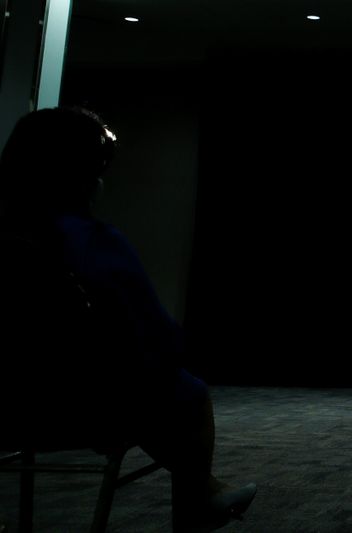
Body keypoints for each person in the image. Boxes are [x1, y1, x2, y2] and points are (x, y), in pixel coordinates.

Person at [0, 106, 255, 531]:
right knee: (184, 390)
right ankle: (199, 498)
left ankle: (206, 490)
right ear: (83, 173)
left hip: (8, 406)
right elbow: (159, 340)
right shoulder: (91, 241)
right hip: (80, 409)